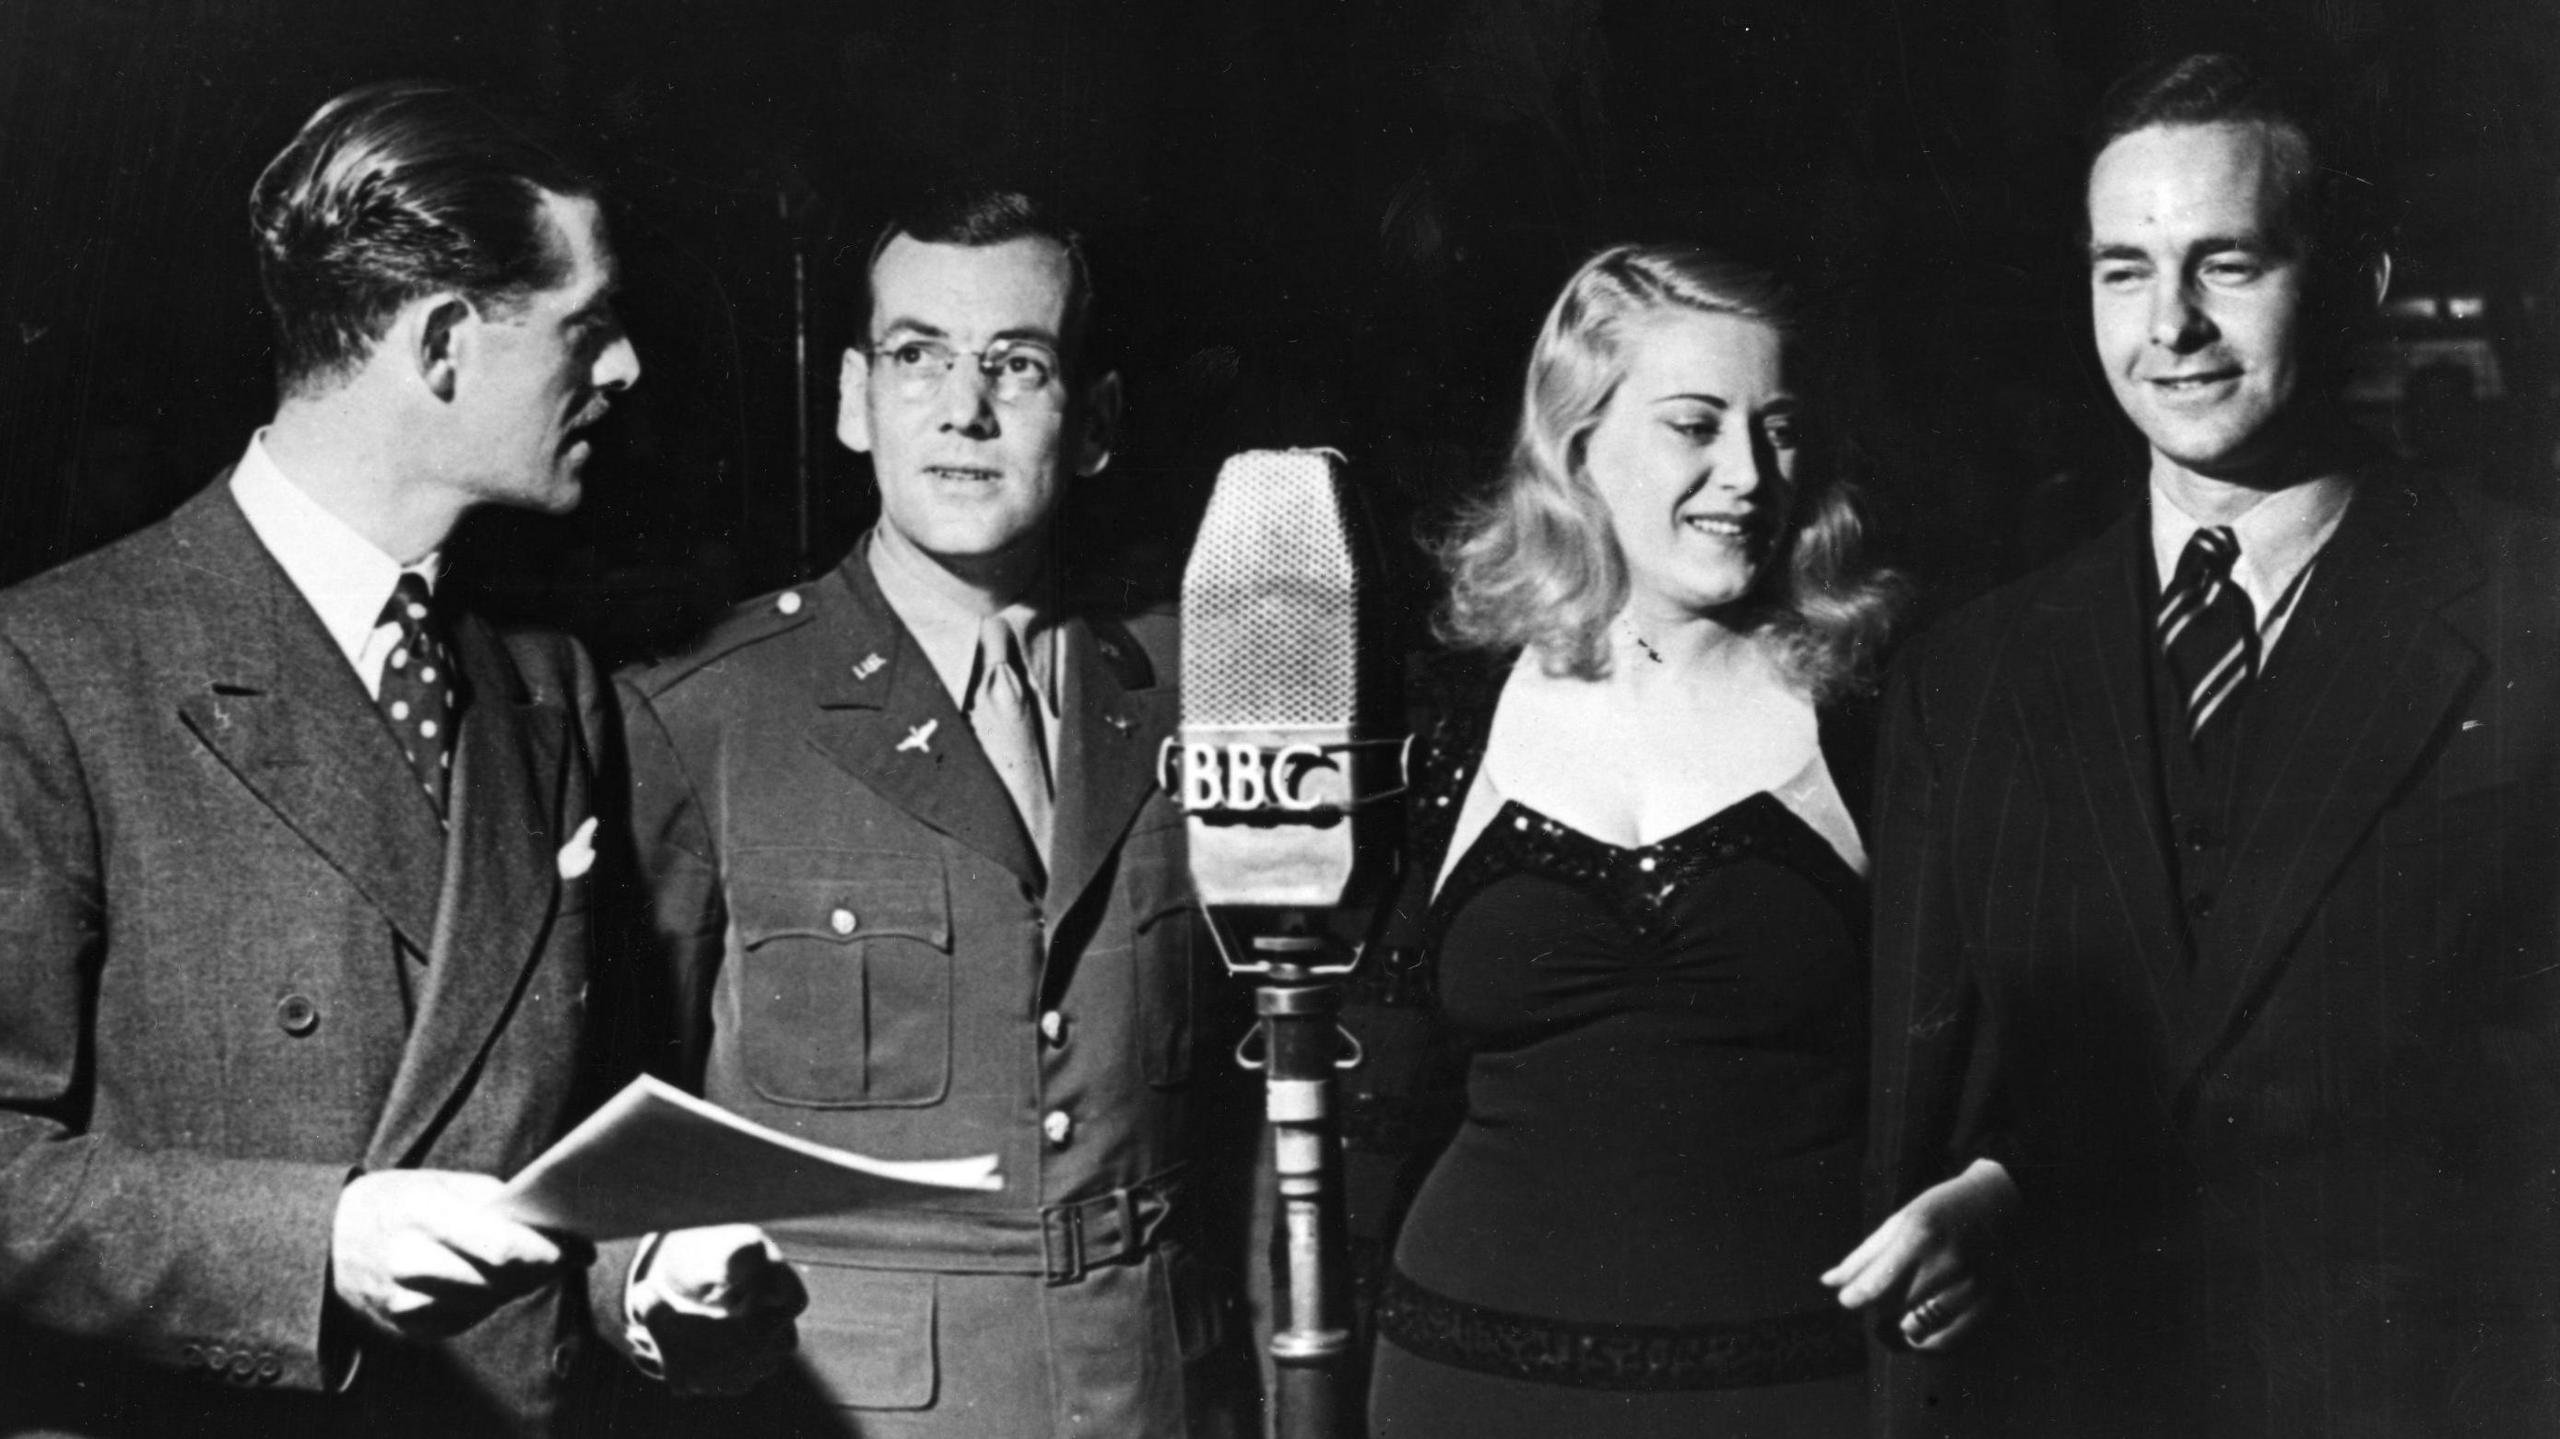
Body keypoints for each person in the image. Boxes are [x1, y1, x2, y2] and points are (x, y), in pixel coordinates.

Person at [0, 81, 803, 1438]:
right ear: (442, 344)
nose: (625, 372)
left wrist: (656, 1275)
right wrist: (315, 1239)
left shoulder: (545, 688)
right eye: (589, 328)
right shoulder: (53, 670)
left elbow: (574, 1142)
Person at [1847, 52, 2560, 1435]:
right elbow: (1923, 1123)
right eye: (2125, 270)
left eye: (2226, 263)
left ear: (2355, 283)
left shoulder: (2534, 612)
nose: (2170, 325)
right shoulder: (1970, 676)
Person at [616, 188, 1254, 1438]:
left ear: (1098, 423)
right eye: (918, 357)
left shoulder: (1200, 689)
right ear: (855, 398)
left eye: (1017, 365)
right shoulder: (706, 716)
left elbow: (1257, 1108)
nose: (965, 409)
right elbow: (601, 1133)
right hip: (853, 1406)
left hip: (1166, 1395)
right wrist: (654, 1291)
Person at [1363, 244, 1899, 1438]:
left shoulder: (1878, 712)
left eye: (1778, 426)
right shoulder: (1444, 717)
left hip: (1789, 1388)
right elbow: (1366, 1101)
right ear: (1576, 441)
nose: (1747, 474)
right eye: (1693, 426)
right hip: (1465, 1374)